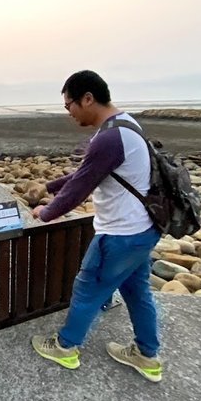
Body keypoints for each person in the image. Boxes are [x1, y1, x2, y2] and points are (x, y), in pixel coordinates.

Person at [31, 70, 163, 382]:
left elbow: (81, 188)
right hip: (143, 231)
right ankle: (147, 356)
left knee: (87, 288)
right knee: (136, 290)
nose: (70, 114)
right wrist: (50, 186)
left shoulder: (109, 137)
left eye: (69, 106)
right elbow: (89, 173)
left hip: (120, 235)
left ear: (88, 98)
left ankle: (66, 347)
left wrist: (45, 212)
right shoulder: (126, 125)